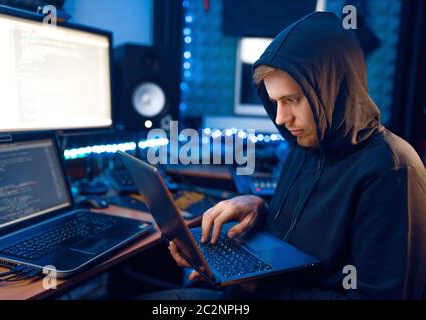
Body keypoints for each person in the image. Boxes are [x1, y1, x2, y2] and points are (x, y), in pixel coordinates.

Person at [166, 11, 426, 300]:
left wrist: (261, 287)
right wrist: (258, 209)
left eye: (291, 100)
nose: (280, 118)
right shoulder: (304, 144)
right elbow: (296, 238)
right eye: (275, 102)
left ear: (334, 90)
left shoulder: (391, 171)